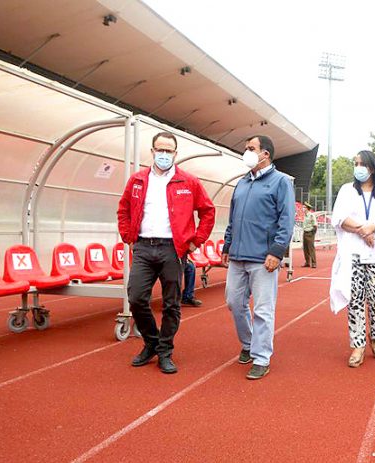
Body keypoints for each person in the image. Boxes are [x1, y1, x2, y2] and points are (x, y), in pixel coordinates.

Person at [117, 131, 215, 374]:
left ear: (175, 153)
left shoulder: (188, 182)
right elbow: (123, 209)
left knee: (171, 304)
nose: (163, 154)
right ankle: (151, 342)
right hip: (143, 246)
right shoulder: (137, 180)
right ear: (152, 152)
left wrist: (196, 242)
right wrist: (128, 237)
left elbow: (208, 212)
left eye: (168, 151)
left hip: (173, 249)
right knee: (136, 297)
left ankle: (165, 351)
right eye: (159, 150)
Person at [221, 135, 295, 380]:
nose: (247, 152)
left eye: (251, 148)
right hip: (237, 256)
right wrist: (227, 245)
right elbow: (233, 219)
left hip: (263, 258)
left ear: (265, 154)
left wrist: (277, 251)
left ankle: (261, 357)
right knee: (234, 302)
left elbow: (286, 220)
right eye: (246, 148)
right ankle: (248, 342)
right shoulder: (242, 183)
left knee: (263, 309)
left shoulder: (280, 182)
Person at [329, 150, 375, 367]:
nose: (358, 168)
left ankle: (374, 335)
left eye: (362, 164)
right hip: (353, 253)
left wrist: (373, 227)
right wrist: (363, 230)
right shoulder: (346, 191)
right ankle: (357, 344)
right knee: (355, 299)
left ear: (373, 168)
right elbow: (339, 218)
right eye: (355, 163)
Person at [301, 202, 317, 268]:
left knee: (311, 248)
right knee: (305, 249)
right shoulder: (305, 215)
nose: (303, 208)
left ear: (307, 208)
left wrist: (312, 233)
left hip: (310, 233)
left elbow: (315, 225)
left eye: (304, 207)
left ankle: (314, 263)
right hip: (305, 232)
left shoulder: (311, 215)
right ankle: (307, 262)